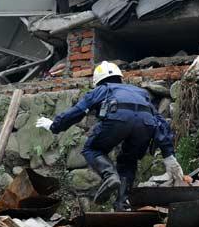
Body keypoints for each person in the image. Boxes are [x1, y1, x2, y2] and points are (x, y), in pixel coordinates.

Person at [36, 61, 183, 210]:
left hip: (118, 118)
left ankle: (110, 176)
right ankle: (122, 203)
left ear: (98, 81)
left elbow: (77, 111)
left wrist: (54, 126)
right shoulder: (140, 92)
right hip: (146, 124)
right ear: (120, 77)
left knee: (92, 149)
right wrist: (168, 155)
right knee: (128, 160)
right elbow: (160, 121)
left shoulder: (102, 89)